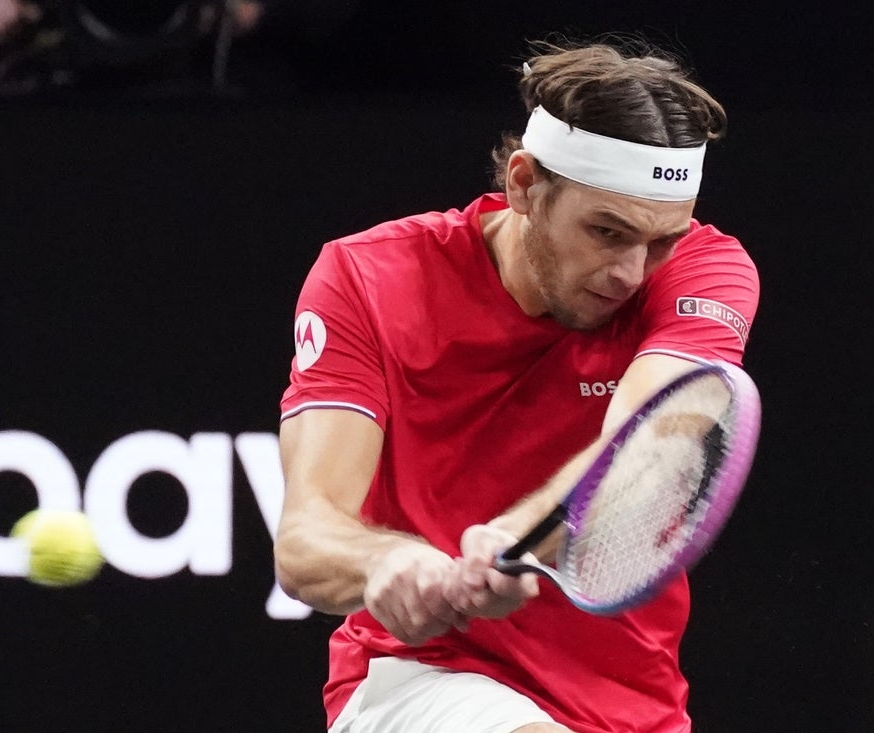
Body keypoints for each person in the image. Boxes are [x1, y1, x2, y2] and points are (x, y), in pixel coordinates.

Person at [274, 36, 759, 733]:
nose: (631, 273)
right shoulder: (368, 277)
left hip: (634, 705)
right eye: (606, 231)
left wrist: (512, 537)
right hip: (420, 679)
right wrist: (387, 560)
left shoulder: (707, 272)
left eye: (660, 242)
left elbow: (646, 447)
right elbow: (304, 539)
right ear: (524, 184)